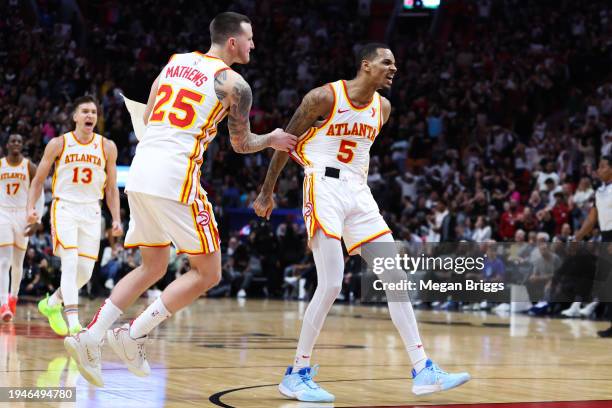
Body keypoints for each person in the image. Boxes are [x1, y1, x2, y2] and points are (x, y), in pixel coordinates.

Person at [64, 12, 296, 387]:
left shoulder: (175, 62)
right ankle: (134, 333)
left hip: (140, 170)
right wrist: (272, 138)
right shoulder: (235, 84)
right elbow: (240, 144)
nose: (254, 45)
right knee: (209, 273)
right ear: (233, 42)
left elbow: (152, 113)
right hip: (176, 176)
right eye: (250, 39)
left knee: (152, 266)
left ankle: (90, 336)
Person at [253, 43, 470, 403]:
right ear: (366, 65)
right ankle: (296, 373)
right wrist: (267, 191)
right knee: (332, 283)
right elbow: (285, 144)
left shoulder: (382, 109)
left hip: (358, 191)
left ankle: (423, 370)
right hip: (322, 184)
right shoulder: (323, 97)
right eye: (387, 62)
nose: (393, 68)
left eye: (395, 63)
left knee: (395, 276)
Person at [27, 95, 123, 335]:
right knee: (69, 263)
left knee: (84, 272)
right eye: (85, 111)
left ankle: (51, 304)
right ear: (75, 116)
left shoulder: (107, 146)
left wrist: (117, 219)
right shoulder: (59, 143)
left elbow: (111, 188)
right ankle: (74, 324)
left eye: (94, 112)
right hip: (65, 207)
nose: (90, 115)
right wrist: (31, 208)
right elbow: (38, 179)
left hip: (92, 210)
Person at [0, 134, 44, 321]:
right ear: (7, 145)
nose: (16, 143)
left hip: (23, 215)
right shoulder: (1, 164)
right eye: (13, 141)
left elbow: (39, 192)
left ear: (22, 145)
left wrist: (37, 219)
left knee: (17, 264)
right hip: (3, 213)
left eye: (19, 141)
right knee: (4, 261)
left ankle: (14, 297)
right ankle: (3, 304)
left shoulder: (29, 166)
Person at [574, 155, 612, 338]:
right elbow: (592, 219)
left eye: (603, 166)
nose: (598, 170)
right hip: (606, 237)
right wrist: (578, 236)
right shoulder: (599, 191)